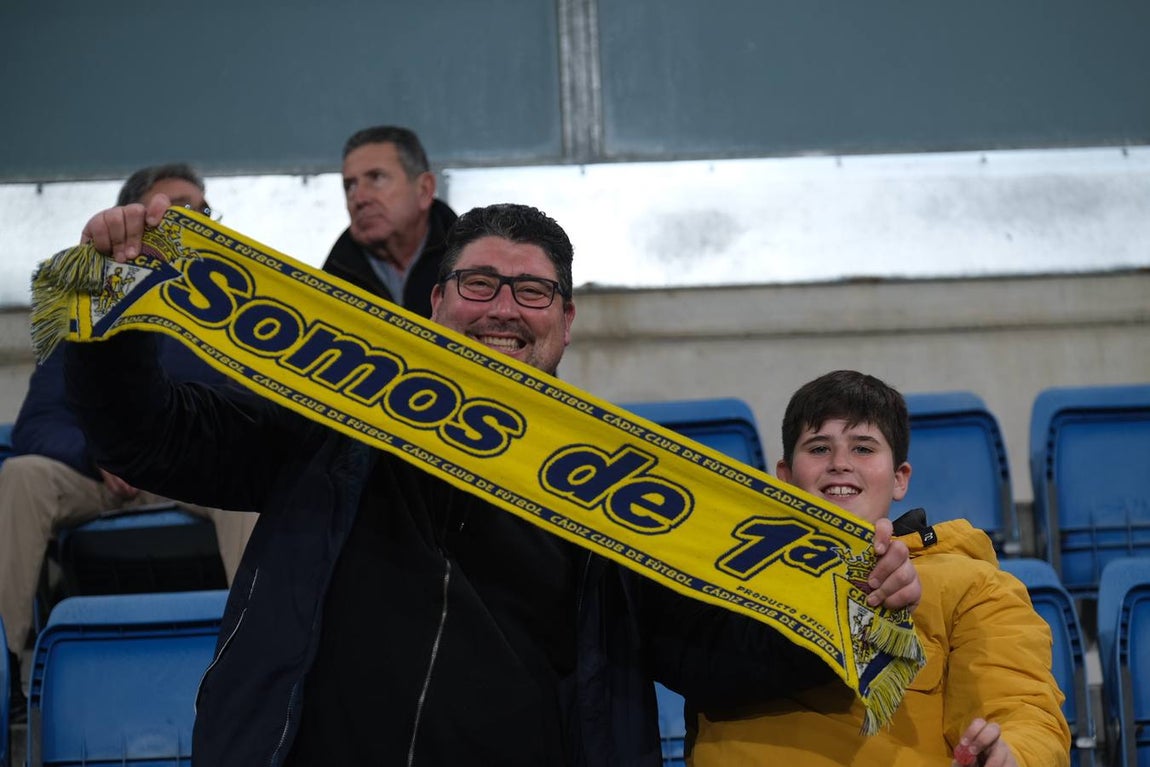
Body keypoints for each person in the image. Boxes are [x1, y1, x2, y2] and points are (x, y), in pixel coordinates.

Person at [68, 200, 920, 765]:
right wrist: (107, 318)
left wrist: (856, 605)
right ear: (435, 302)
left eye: (533, 291)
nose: (504, 308)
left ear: (566, 321)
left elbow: (713, 656)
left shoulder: (623, 484)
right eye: (480, 283)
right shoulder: (326, 418)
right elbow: (150, 435)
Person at [690, 370, 1071, 767]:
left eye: (863, 449)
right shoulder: (730, 577)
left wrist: (1014, 757)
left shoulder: (973, 585)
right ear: (784, 477)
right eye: (819, 448)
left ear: (899, 478)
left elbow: (1021, 709)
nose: (840, 463)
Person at [0, 164, 258, 723]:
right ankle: (7, 677)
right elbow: (35, 426)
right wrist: (101, 452)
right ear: (132, 224)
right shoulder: (86, 301)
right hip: (106, 477)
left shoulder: (231, 308)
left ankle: (262, 662)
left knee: (258, 486)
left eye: (203, 210)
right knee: (18, 476)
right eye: (176, 209)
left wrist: (181, 447)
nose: (194, 220)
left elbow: (251, 414)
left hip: (194, 471)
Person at [322, 125, 458, 318]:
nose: (359, 198)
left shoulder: (475, 265)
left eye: (376, 178)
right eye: (349, 186)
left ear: (424, 190)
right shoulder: (330, 282)